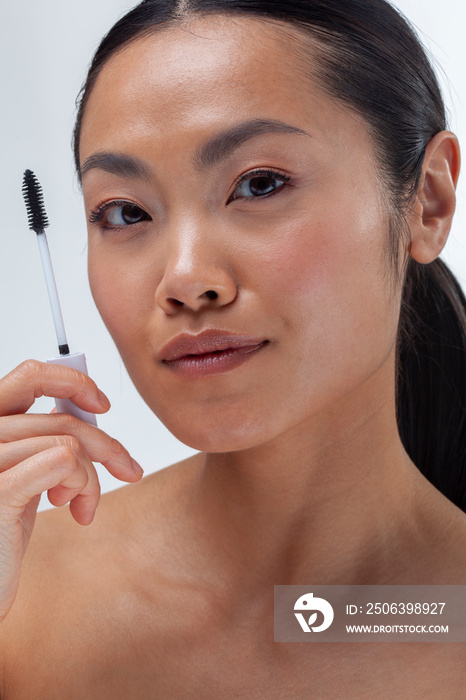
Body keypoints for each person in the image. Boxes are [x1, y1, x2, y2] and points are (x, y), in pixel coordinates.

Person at [1, 0, 465, 696]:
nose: (185, 279)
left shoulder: (444, 620)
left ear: (426, 203)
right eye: (126, 212)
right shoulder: (21, 591)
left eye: (260, 184)